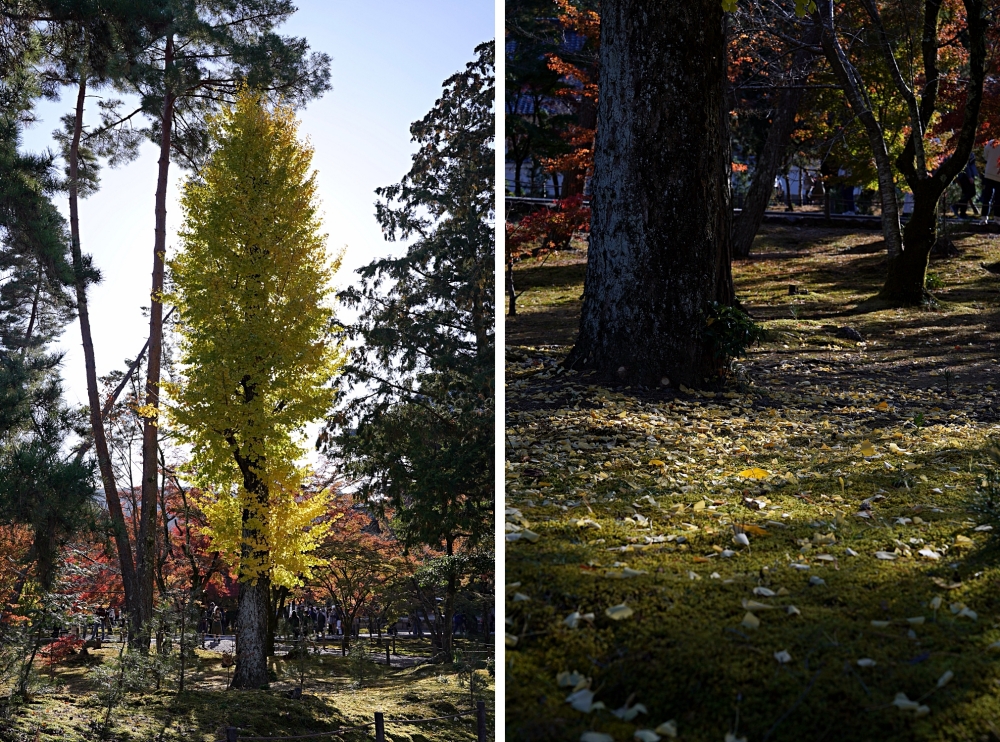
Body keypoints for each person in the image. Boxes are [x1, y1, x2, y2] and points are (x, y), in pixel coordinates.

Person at [953, 152, 979, 218]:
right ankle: (956, 205)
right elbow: (966, 164)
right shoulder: (967, 150)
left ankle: (963, 213)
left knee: (965, 194)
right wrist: (969, 176)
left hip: (964, 175)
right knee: (972, 192)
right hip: (965, 176)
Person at [981, 140, 1000, 224]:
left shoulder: (991, 142)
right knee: (999, 198)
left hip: (989, 172)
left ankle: (984, 218)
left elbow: (985, 156)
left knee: (987, 197)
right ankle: (997, 218)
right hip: (999, 175)